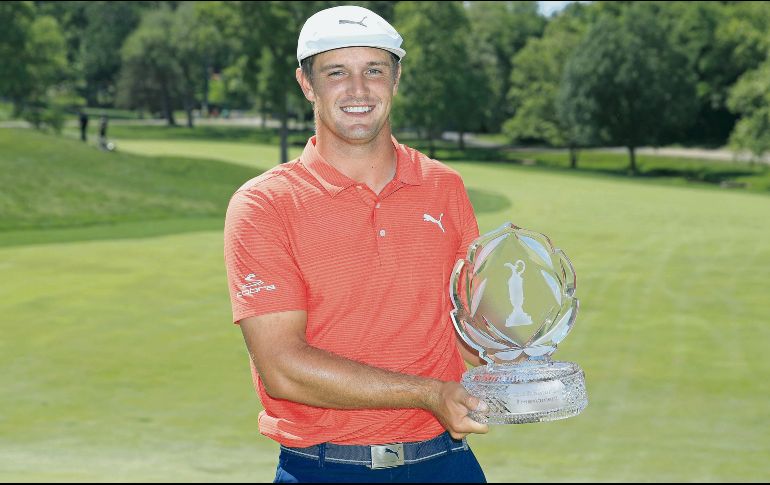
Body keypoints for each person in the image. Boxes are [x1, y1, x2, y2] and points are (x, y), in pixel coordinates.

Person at [224, 6, 488, 483]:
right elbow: (283, 368)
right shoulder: (264, 204)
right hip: (324, 470)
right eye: (337, 73)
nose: (359, 90)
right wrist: (429, 394)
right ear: (307, 84)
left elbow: (471, 333)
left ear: (397, 77)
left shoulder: (444, 187)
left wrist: (520, 350)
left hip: (446, 464)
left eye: (374, 70)